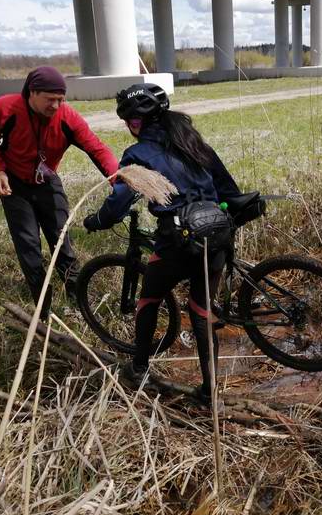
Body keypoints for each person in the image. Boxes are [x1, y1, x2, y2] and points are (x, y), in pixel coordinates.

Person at [83, 83, 242, 400]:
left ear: (136, 122)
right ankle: (210, 391)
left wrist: (97, 221)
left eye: (129, 122)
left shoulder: (138, 154)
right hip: (216, 233)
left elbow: (118, 202)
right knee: (200, 310)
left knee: (149, 298)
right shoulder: (192, 141)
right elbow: (228, 188)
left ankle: (139, 368)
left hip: (178, 240)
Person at [0, 66, 119, 318]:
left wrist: (117, 179)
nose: (56, 105)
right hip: (15, 185)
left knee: (61, 241)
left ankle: (77, 299)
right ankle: (43, 307)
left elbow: (97, 148)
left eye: (61, 99)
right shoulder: (6, 108)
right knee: (29, 246)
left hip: (47, 181)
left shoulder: (67, 117)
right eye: (50, 99)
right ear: (32, 93)